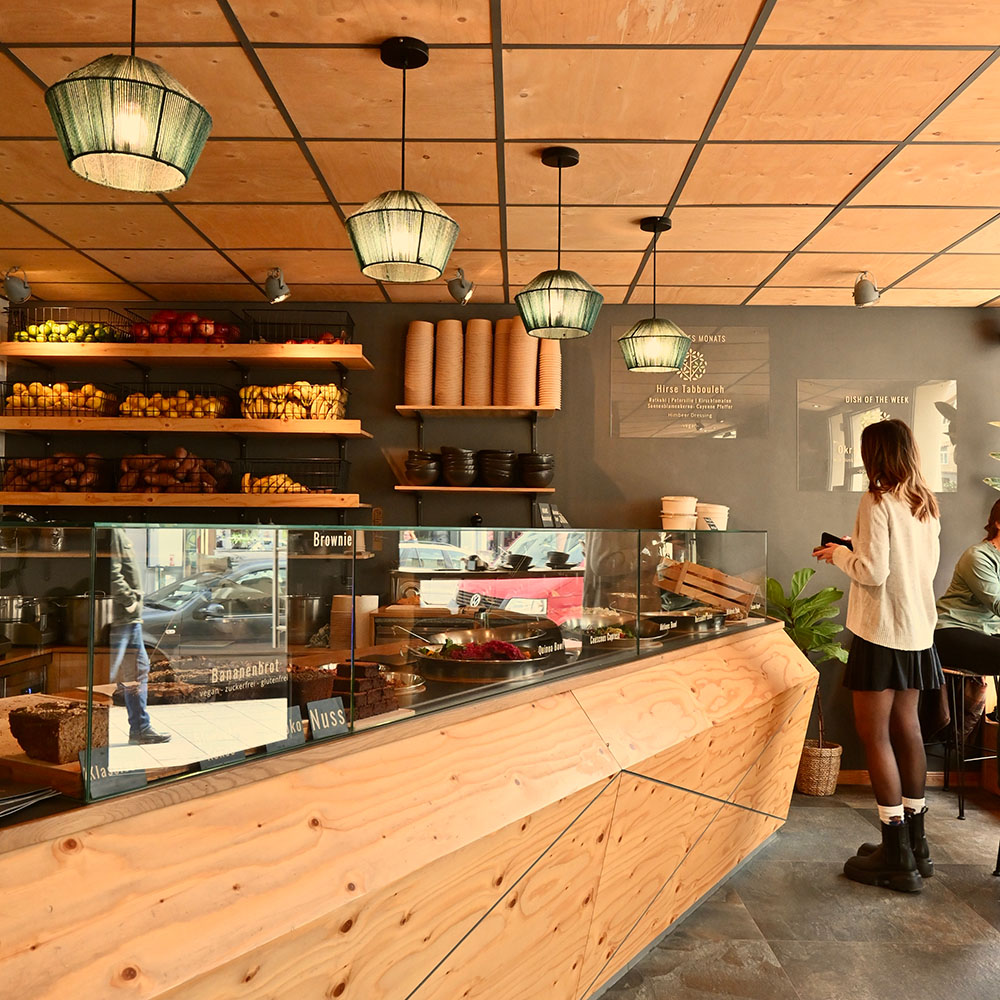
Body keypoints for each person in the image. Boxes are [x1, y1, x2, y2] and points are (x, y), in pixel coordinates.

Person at [813, 419, 941, 893]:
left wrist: (837, 557)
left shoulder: (877, 499)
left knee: (875, 736)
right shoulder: (924, 503)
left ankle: (894, 854)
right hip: (917, 631)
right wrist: (851, 549)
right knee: (907, 731)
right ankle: (915, 843)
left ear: (875, 455)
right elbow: (910, 566)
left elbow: (872, 572)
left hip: (881, 630)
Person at [934, 498, 1000, 726]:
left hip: (986, 633)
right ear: (998, 523)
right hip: (952, 630)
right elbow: (998, 603)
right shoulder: (979, 556)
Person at [110, 528, 171, 745]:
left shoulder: (118, 531)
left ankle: (140, 727)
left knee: (136, 672)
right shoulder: (114, 531)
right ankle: (140, 729)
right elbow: (112, 573)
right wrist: (130, 602)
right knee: (135, 673)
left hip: (128, 619)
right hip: (124, 618)